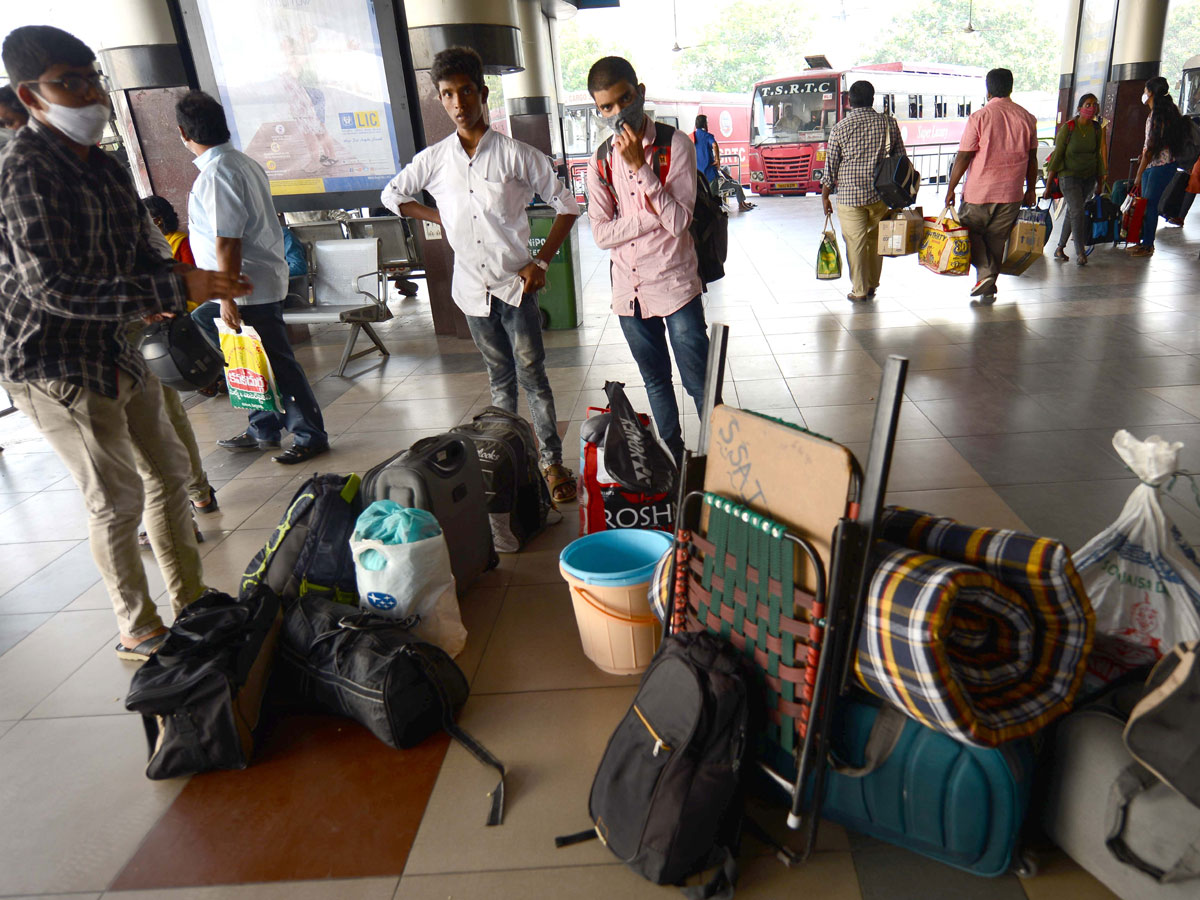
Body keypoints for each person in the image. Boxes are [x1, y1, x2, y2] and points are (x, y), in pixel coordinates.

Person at [0, 25, 251, 660]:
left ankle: (191, 599)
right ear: (32, 97)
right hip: (50, 360)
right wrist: (167, 290)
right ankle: (137, 626)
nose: (89, 95)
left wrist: (183, 281)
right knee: (114, 498)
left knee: (166, 472)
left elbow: (144, 244)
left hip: (116, 343)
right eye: (70, 83)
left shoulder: (106, 165)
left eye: (93, 79)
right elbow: (51, 287)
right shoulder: (24, 171)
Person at [380, 47, 579, 503]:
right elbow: (392, 195)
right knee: (499, 379)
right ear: (440, 99)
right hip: (471, 293)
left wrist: (541, 260)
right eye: (447, 94)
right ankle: (510, 462)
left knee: (534, 377)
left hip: (515, 288)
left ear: (482, 93)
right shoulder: (433, 160)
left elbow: (567, 205)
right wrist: (437, 216)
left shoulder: (516, 155)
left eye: (466, 91)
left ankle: (549, 462)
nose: (458, 102)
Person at [178, 90, 329, 464]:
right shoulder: (241, 163)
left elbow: (228, 241)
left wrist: (228, 297)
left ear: (184, 134)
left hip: (245, 289)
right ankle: (263, 426)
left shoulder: (218, 174)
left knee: (275, 361)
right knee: (243, 355)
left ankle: (310, 434)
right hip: (250, 283)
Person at [586, 56, 710, 464]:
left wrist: (642, 170)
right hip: (629, 293)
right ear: (598, 110)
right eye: (607, 107)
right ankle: (675, 463)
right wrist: (645, 217)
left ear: (639, 92)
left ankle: (717, 460)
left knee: (699, 383)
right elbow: (602, 234)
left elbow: (677, 222)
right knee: (656, 382)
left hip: (675, 286)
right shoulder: (601, 159)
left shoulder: (676, 146)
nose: (618, 112)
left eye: (624, 99)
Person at [944, 68, 1037, 304]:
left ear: (988, 89)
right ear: (1010, 87)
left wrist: (950, 188)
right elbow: (1032, 158)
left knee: (967, 231)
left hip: (980, 190)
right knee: (996, 239)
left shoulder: (980, 117)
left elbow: (964, 156)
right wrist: (1031, 189)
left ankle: (985, 274)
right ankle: (988, 284)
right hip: (1012, 192)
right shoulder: (1027, 118)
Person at [821, 80, 902, 302]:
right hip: (881, 194)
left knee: (855, 243)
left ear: (849, 101)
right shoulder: (888, 124)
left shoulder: (840, 128)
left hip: (850, 195)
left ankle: (859, 290)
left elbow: (831, 166)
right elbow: (900, 159)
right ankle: (873, 285)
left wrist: (825, 195)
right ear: (872, 99)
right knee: (876, 240)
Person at [1128, 76, 1189, 258]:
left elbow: (1150, 149)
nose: (1144, 95)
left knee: (1149, 205)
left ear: (1152, 93)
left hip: (1156, 167)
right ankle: (1144, 242)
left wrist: (1139, 173)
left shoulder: (1156, 116)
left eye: (1146, 91)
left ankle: (1147, 245)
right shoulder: (1169, 113)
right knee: (1148, 204)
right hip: (1164, 165)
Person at [1044, 94, 1106, 266]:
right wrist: (1048, 186)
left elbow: (1097, 156)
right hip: (1068, 176)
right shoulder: (1069, 128)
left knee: (1073, 211)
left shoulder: (1096, 129)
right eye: (1087, 105)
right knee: (1077, 211)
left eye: (1094, 105)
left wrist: (1100, 182)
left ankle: (1060, 248)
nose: (1091, 108)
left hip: (1088, 177)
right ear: (1079, 108)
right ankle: (1080, 251)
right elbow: (1057, 157)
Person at [694, 115, 755, 213]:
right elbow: (714, 144)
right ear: (705, 124)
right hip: (710, 175)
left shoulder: (692, 137)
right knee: (714, 198)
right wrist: (718, 159)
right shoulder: (707, 136)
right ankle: (716, 216)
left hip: (699, 176)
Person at [141, 195, 196, 269]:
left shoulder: (182, 242)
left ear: (158, 220)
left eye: (145, 218)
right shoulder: (148, 243)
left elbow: (191, 272)